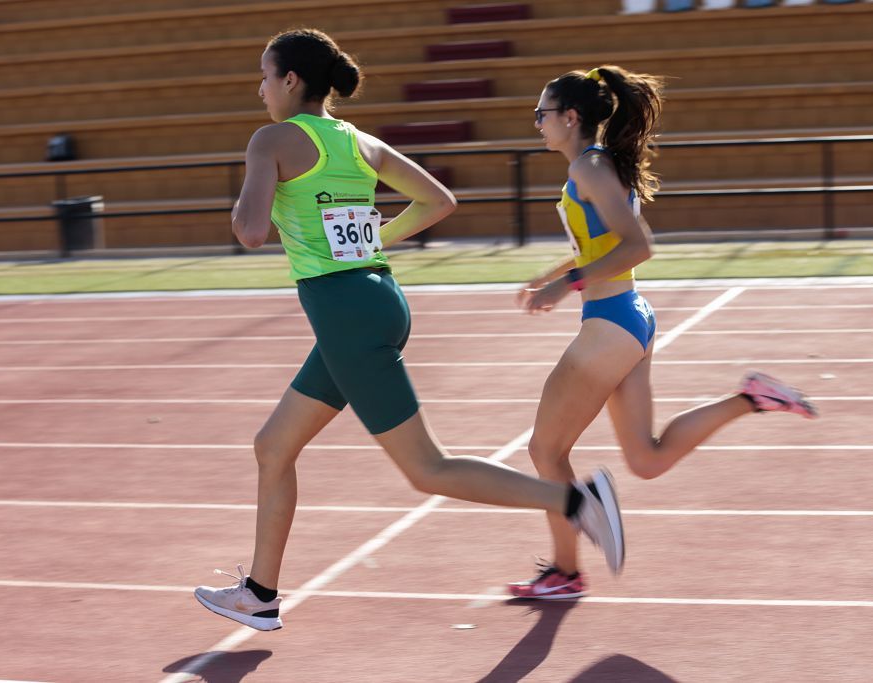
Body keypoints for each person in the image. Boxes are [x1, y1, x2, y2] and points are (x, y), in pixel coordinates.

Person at [193, 29, 626, 631]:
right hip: (378, 300)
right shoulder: (358, 141)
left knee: (428, 469)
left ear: (292, 81)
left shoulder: (271, 138)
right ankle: (260, 592)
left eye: (265, 76)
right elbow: (438, 200)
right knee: (273, 446)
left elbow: (251, 231)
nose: (260, 87)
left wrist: (249, 189)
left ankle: (577, 501)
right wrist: (372, 241)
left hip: (346, 313)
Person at [507, 66, 818, 600]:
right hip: (628, 318)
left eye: (542, 113)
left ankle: (566, 567)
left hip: (610, 325)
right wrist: (553, 275)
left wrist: (568, 286)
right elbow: (603, 243)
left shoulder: (589, 167)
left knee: (545, 450)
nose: (537, 122)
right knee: (646, 459)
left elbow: (638, 246)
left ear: (571, 117)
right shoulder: (594, 165)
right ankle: (751, 398)